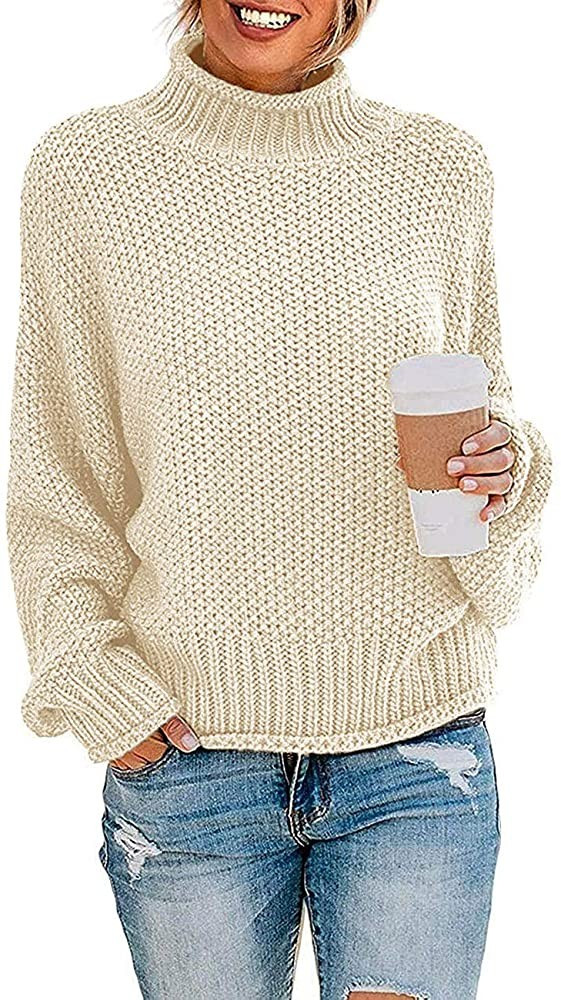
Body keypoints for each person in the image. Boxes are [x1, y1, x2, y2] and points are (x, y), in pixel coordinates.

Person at [5, 2, 552, 998]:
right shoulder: (87, 171)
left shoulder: (441, 168)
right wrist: (88, 671)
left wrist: (502, 464)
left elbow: (485, 408)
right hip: (190, 758)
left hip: (416, 753)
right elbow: (60, 466)